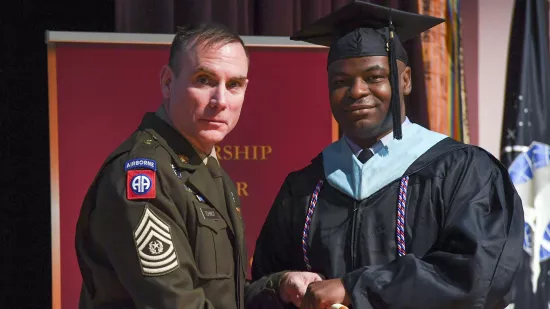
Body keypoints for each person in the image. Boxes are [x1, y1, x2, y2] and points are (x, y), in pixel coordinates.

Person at [246, 1, 525, 309]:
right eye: (340, 82)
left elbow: (479, 277)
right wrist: (284, 284)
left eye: (374, 77)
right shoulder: (304, 188)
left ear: (404, 81)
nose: (356, 91)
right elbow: (261, 281)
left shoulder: (463, 172)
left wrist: (354, 288)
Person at [75, 22, 255, 308]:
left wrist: (277, 288)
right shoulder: (143, 175)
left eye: (234, 85)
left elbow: (222, 294)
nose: (221, 101)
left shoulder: (205, 167)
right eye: (205, 80)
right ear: (168, 82)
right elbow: (175, 303)